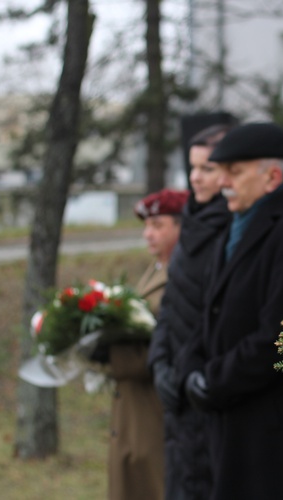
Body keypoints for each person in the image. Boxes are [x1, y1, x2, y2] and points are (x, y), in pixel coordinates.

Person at [179, 122, 283, 499]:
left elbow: (279, 337)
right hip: (234, 416)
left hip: (271, 430)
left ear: (273, 176)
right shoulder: (238, 225)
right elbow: (212, 313)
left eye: (235, 172)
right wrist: (191, 366)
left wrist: (212, 380)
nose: (222, 183)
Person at [148, 125, 232, 500]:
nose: (195, 177)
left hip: (207, 390)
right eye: (192, 167)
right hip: (178, 399)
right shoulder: (193, 226)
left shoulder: (232, 231)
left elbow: (216, 314)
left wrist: (184, 370)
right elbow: (170, 306)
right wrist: (159, 364)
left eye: (207, 169)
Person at [108, 187, 188, 500]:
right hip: (131, 403)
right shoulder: (154, 270)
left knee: (154, 484)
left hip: (154, 403)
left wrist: (110, 351)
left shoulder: (181, 275)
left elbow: (168, 343)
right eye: (146, 226)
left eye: (157, 226)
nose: (148, 234)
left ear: (182, 227)